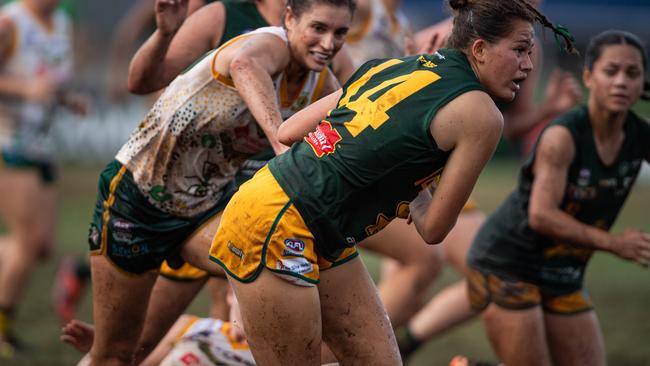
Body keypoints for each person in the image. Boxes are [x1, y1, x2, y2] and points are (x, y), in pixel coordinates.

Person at [208, 0, 574, 363]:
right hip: (276, 222)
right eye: (520, 50)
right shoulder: (483, 116)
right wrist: (413, 183)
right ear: (479, 49)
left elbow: (288, 132)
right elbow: (432, 229)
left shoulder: (392, 66)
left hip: (298, 216)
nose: (528, 64)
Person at [85, 0, 352, 363]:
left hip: (204, 210)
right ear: (290, 18)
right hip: (137, 199)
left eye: (340, 33)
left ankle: (231, 330)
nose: (329, 43)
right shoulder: (266, 41)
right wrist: (279, 138)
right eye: (319, 29)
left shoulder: (321, 80)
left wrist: (413, 193)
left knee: (274, 254)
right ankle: (135, 336)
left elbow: (355, 128)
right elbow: (244, 63)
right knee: (116, 354)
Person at [394, 0, 582, 357]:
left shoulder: (527, 48)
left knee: (419, 281)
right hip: (418, 181)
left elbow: (504, 126)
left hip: (443, 182)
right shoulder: (432, 40)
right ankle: (390, 346)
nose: (524, 61)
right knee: (499, 271)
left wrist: (548, 110)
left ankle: (391, 347)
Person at [466, 29, 650, 366]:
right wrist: (614, 243)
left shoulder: (640, 135)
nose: (622, 82)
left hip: (563, 272)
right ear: (589, 77)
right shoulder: (563, 136)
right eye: (611, 72)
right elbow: (541, 215)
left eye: (632, 73)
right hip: (508, 265)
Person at [0, 0, 86, 357]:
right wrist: (24, 90)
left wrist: (67, 100)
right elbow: (26, 84)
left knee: (41, 245)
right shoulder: (10, 23)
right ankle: (3, 328)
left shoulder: (62, 23)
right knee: (26, 242)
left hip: (42, 146)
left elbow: (48, 80)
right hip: (8, 142)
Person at [62, 287, 254, 366]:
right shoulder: (191, 326)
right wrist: (105, 348)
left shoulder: (274, 357)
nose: (252, 308)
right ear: (230, 294)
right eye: (246, 296)